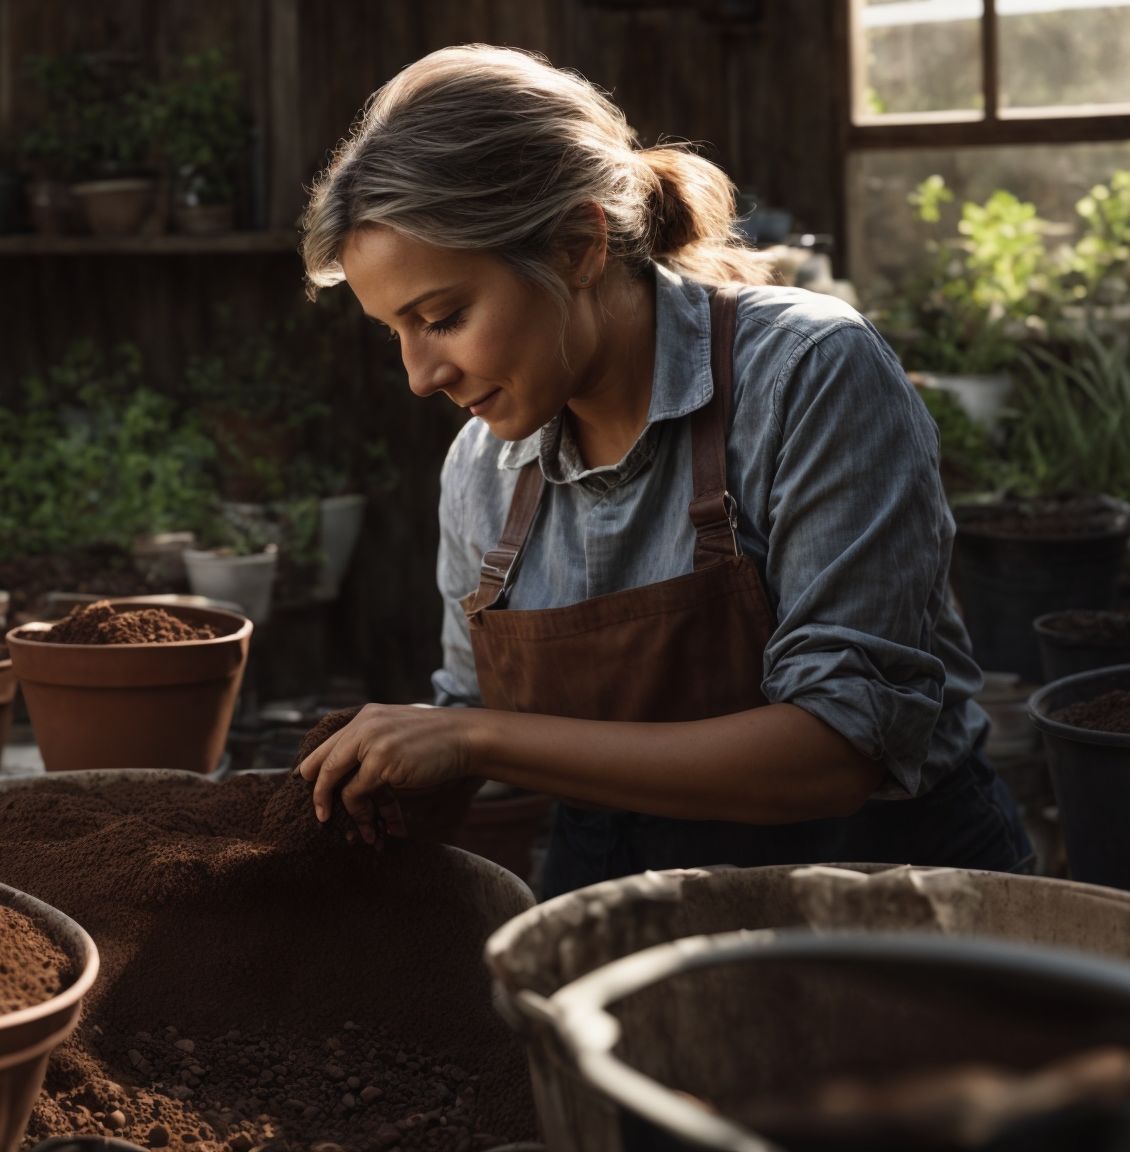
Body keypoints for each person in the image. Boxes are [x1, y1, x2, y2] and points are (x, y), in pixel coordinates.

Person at [294, 45, 1031, 898]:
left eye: (445, 317)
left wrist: (474, 742)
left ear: (578, 245)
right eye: (397, 331)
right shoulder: (484, 466)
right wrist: (382, 780)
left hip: (881, 896)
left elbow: (840, 749)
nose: (422, 374)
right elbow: (472, 712)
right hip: (616, 894)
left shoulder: (806, 374)